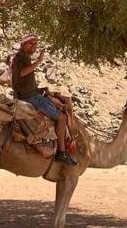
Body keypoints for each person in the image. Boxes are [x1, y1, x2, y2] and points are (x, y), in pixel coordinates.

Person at [10, 34, 77, 166]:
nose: (33, 46)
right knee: (62, 117)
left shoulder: (22, 57)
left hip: (31, 94)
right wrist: (39, 62)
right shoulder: (21, 57)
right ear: (23, 45)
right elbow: (22, 73)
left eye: (35, 44)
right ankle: (61, 152)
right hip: (30, 97)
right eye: (31, 44)